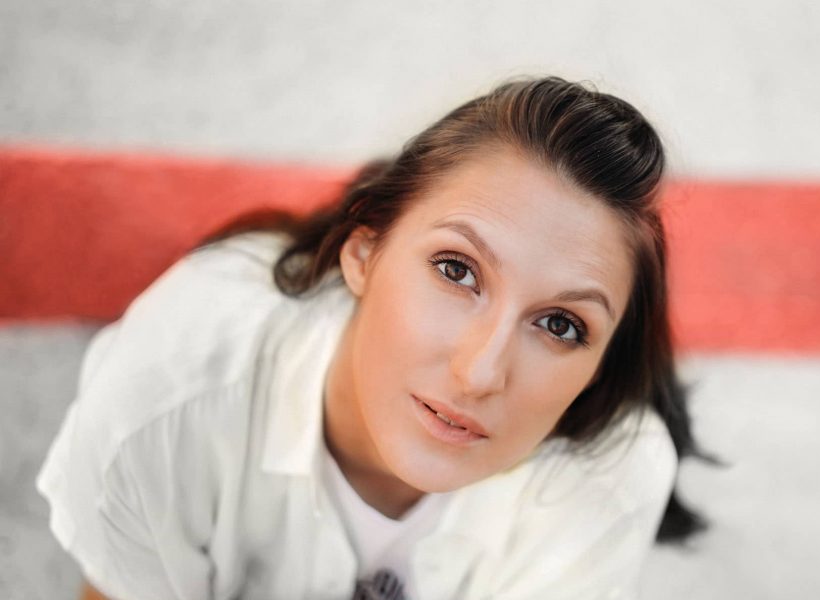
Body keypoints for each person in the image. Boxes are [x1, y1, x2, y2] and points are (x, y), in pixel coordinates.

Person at [38, 76, 706, 600]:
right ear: (362, 254)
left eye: (560, 325)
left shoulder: (610, 478)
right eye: (456, 270)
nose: (480, 372)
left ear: (601, 365)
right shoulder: (167, 398)